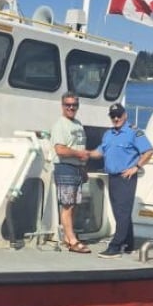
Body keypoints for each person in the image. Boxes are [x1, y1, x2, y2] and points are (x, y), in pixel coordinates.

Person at [89, 103, 153, 258]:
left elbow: (149, 151)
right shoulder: (108, 134)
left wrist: (136, 167)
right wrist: (83, 154)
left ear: (125, 115)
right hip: (112, 178)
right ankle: (128, 243)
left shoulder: (134, 132)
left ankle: (115, 246)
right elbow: (100, 151)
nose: (116, 118)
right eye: (113, 116)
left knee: (122, 212)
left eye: (119, 115)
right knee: (119, 213)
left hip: (126, 178)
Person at [51, 92, 91, 253]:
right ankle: (73, 241)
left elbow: (79, 147)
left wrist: (83, 169)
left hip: (77, 169)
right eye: (67, 105)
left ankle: (68, 238)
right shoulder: (60, 125)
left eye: (74, 105)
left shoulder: (78, 124)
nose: (71, 107)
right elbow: (60, 150)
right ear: (62, 106)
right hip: (65, 167)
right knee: (67, 205)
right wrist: (79, 154)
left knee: (73, 205)